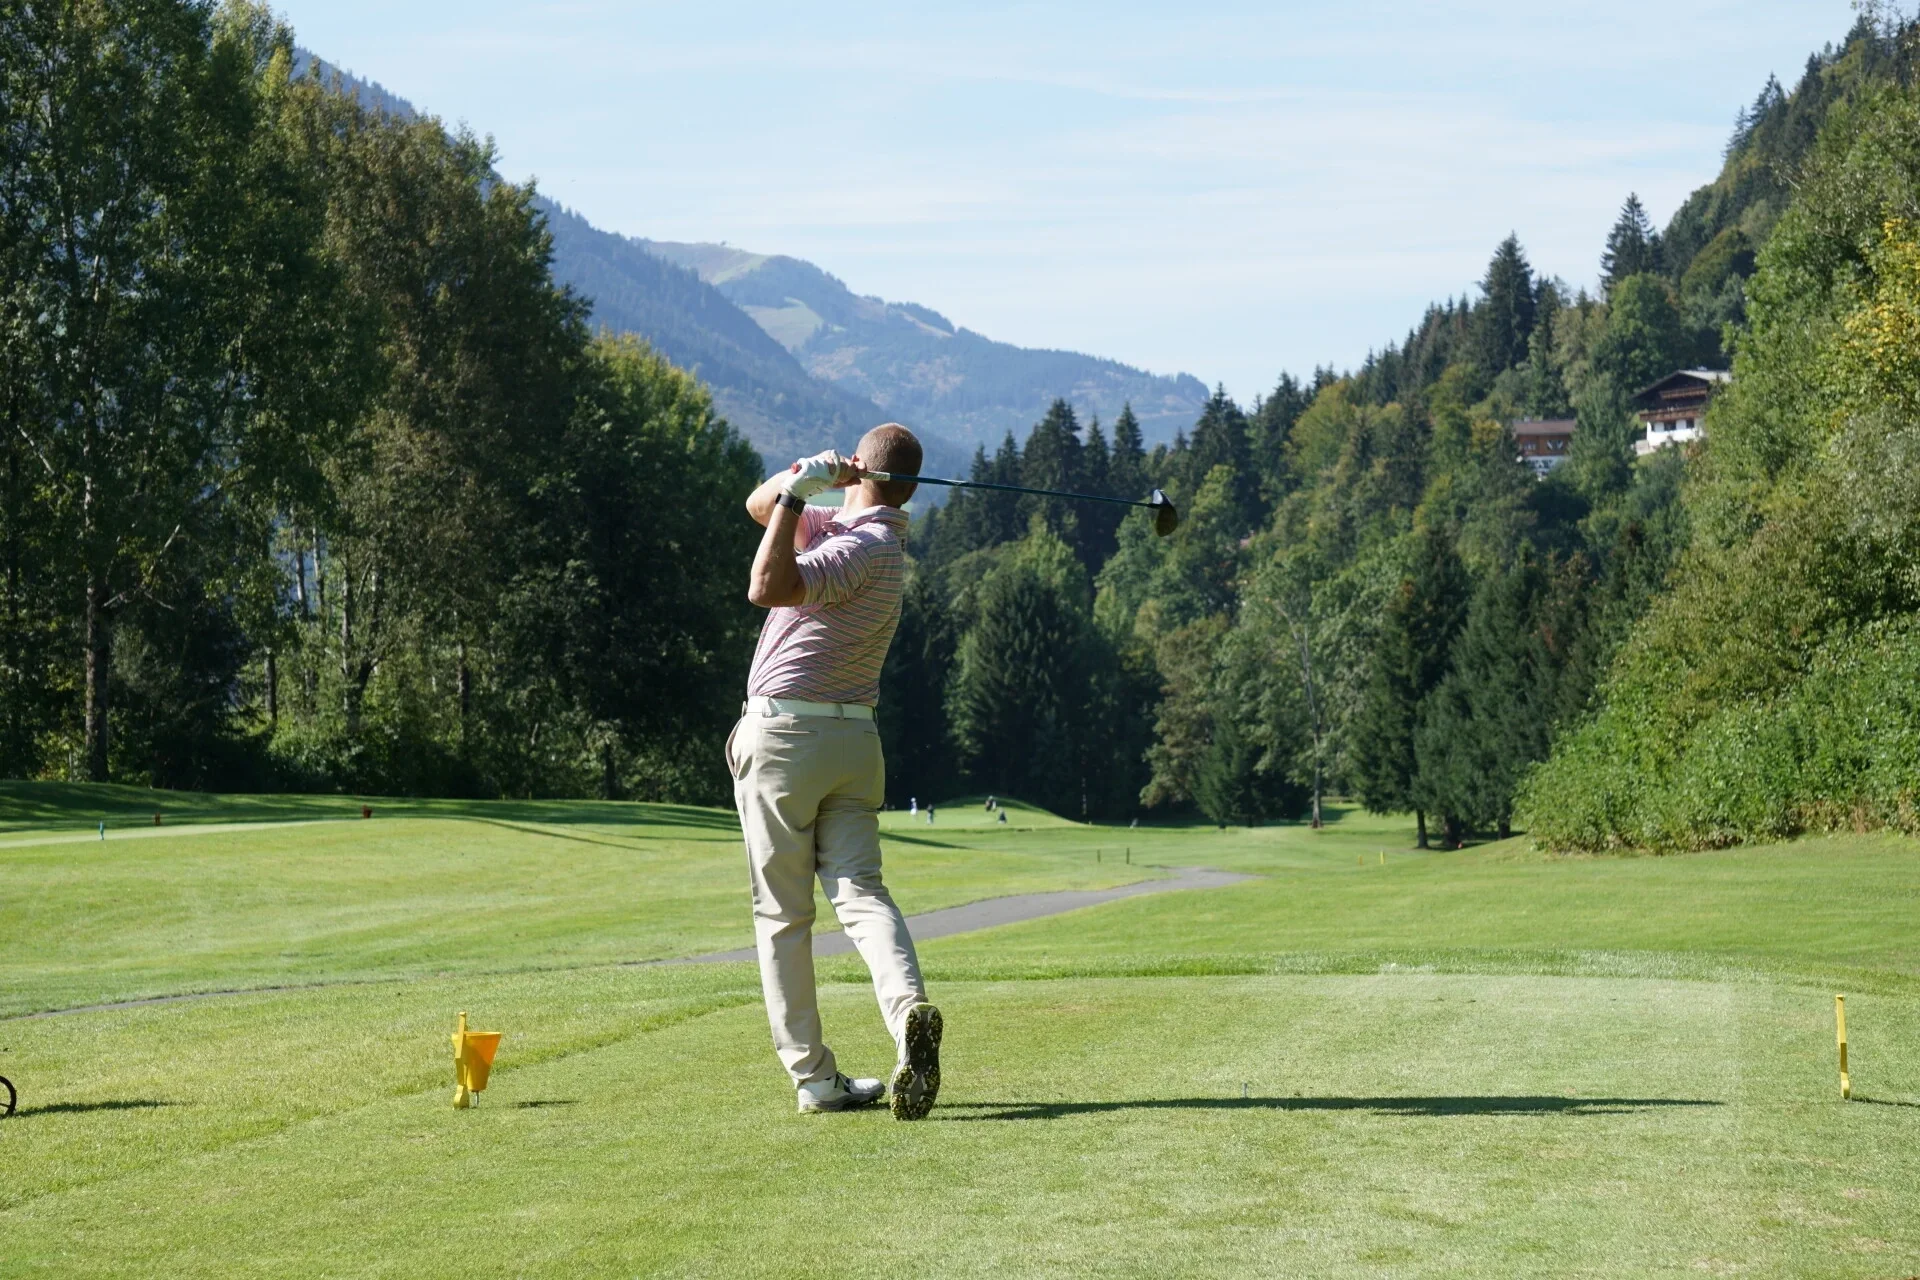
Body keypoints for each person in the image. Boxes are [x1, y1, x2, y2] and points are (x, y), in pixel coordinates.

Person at [731, 424, 943, 1120]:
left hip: (789, 737)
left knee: (783, 915)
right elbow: (759, 508)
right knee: (860, 892)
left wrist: (801, 488)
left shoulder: (859, 546)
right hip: (853, 742)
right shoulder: (863, 531)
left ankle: (815, 1079)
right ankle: (909, 1012)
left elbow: (767, 585)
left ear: (863, 473)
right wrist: (802, 479)